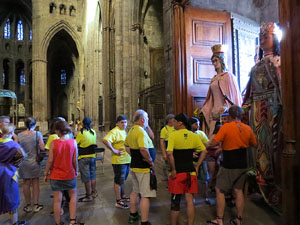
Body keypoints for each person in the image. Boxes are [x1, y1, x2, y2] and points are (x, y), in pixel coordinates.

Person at [243, 22, 282, 210]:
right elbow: (249, 90)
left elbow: (282, 85)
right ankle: (260, 183)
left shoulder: (278, 61)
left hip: (273, 108)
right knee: (258, 146)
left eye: (267, 36)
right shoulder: (256, 65)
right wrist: (245, 107)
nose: (264, 39)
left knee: (272, 147)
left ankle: (275, 187)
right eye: (262, 36)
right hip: (257, 109)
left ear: (275, 39)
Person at [206, 105, 257, 225]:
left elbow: (214, 142)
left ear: (229, 115)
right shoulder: (247, 128)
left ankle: (219, 219)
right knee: (238, 190)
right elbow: (254, 144)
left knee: (220, 189)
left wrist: (206, 144)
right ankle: (239, 219)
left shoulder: (226, 127)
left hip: (229, 163)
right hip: (243, 162)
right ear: (241, 115)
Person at [167, 113, 207, 225]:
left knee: (175, 201)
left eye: (174, 121)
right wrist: (198, 165)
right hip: (190, 172)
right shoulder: (194, 136)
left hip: (178, 173)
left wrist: (173, 169)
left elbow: (170, 154)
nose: (173, 123)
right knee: (190, 200)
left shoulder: (173, 135)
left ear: (180, 123)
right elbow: (204, 151)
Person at [44, 121, 84, 225]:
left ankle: (58, 223)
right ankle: (72, 221)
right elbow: (74, 160)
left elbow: (50, 160)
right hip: (69, 174)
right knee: (73, 196)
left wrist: (45, 173)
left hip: (56, 175)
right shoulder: (73, 142)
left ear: (57, 131)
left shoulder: (54, 143)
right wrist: (77, 170)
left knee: (57, 200)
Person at [201, 44, 242, 137]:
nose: (214, 63)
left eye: (216, 60)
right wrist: (205, 109)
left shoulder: (229, 76)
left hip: (224, 111)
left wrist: (226, 108)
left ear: (222, 60)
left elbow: (232, 97)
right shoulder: (214, 78)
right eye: (213, 61)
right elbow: (210, 98)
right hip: (214, 112)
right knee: (213, 137)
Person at [124, 109, 156, 225]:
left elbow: (126, 145)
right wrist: (150, 160)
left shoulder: (132, 130)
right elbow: (143, 149)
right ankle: (144, 221)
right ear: (142, 119)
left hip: (134, 165)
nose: (147, 120)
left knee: (135, 191)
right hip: (143, 168)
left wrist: (134, 156)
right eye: (147, 118)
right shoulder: (141, 131)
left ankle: (133, 215)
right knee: (146, 195)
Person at [0, 124, 27, 225]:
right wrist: (15, 165)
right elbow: (22, 156)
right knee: (12, 197)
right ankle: (14, 222)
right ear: (11, 133)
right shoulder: (14, 145)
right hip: (9, 173)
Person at [102, 115, 131, 209]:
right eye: (122, 122)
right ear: (117, 123)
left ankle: (122, 196)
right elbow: (105, 140)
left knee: (122, 180)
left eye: (125, 122)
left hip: (126, 159)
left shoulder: (124, 131)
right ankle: (118, 201)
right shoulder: (114, 131)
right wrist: (114, 150)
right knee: (118, 181)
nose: (124, 124)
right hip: (119, 161)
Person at [18, 117, 45, 213]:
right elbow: (42, 147)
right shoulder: (37, 134)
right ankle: (36, 205)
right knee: (35, 183)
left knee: (26, 183)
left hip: (24, 162)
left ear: (25, 125)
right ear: (35, 124)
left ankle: (28, 205)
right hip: (34, 162)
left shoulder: (19, 135)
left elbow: (17, 149)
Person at [76, 117, 98, 202]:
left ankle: (88, 195)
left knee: (86, 177)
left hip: (83, 157)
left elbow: (76, 143)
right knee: (93, 175)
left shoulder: (81, 133)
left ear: (82, 123)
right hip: (92, 156)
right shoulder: (94, 132)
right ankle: (93, 192)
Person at [160, 114, 175, 181]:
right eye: (173, 119)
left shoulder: (176, 128)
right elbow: (162, 142)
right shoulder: (164, 129)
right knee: (169, 167)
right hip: (168, 147)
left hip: (175, 148)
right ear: (169, 120)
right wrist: (164, 153)